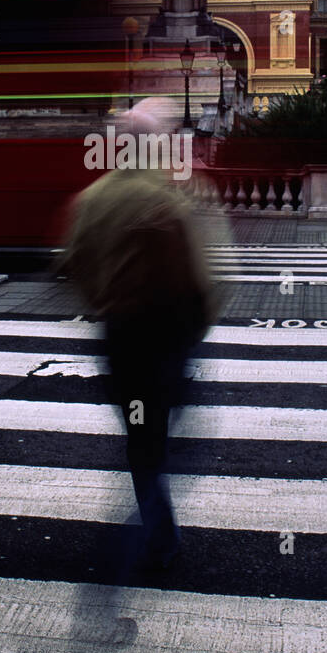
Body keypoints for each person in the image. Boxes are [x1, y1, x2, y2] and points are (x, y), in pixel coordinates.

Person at [62, 99, 218, 572]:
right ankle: (159, 531)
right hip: (170, 334)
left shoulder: (91, 199)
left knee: (141, 438)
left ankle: (156, 520)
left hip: (122, 335)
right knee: (163, 429)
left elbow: (74, 266)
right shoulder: (175, 195)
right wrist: (196, 326)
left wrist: (102, 303)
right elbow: (207, 272)